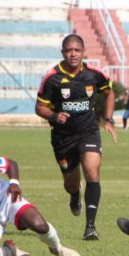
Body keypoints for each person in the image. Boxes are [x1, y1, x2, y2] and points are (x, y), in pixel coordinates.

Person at [35, 34, 117, 241]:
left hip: (88, 131)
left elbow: (109, 93)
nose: (73, 54)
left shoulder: (94, 75)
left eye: (77, 50)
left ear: (83, 52)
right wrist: (54, 115)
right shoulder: (52, 77)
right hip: (63, 138)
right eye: (69, 50)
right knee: (71, 183)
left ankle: (90, 226)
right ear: (63, 52)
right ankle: (74, 195)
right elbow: (39, 107)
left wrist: (108, 120)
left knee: (92, 171)